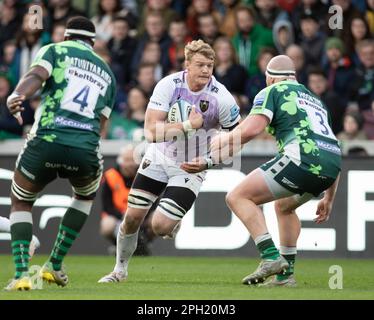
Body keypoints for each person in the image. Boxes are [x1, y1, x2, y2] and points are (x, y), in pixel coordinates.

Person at [181, 55, 341, 287]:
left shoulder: (272, 92)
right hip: (331, 167)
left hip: (302, 160)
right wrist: (329, 197)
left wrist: (225, 137)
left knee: (237, 196)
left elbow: (250, 130)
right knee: (284, 206)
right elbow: (330, 145)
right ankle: (285, 277)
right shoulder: (315, 100)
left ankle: (270, 257)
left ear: (270, 77)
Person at [98, 39, 241, 283]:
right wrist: (188, 125)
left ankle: (172, 220)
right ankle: (119, 271)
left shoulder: (222, 98)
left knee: (160, 226)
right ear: (187, 65)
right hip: (159, 156)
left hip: (191, 166)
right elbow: (151, 132)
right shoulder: (168, 85)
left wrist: (207, 162)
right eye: (200, 65)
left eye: (210, 65)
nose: (206, 70)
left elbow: (236, 140)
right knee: (132, 217)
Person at [4, 16, 116, 291]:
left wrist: (17, 95)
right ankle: (54, 264)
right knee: (85, 195)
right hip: (85, 149)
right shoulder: (107, 73)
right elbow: (101, 125)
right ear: (92, 42)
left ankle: (21, 274)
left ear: (67, 36)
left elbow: (35, 76)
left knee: (21, 201)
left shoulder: (55, 50)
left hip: (46, 141)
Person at [100, 145, 154, 255]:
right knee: (107, 225)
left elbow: (154, 198)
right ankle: (117, 245)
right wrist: (122, 216)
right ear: (120, 161)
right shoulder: (111, 176)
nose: (130, 164)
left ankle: (144, 243)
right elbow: (107, 206)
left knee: (156, 219)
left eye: (132, 160)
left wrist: (142, 216)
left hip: (142, 214)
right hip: (118, 216)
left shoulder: (145, 174)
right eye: (127, 160)